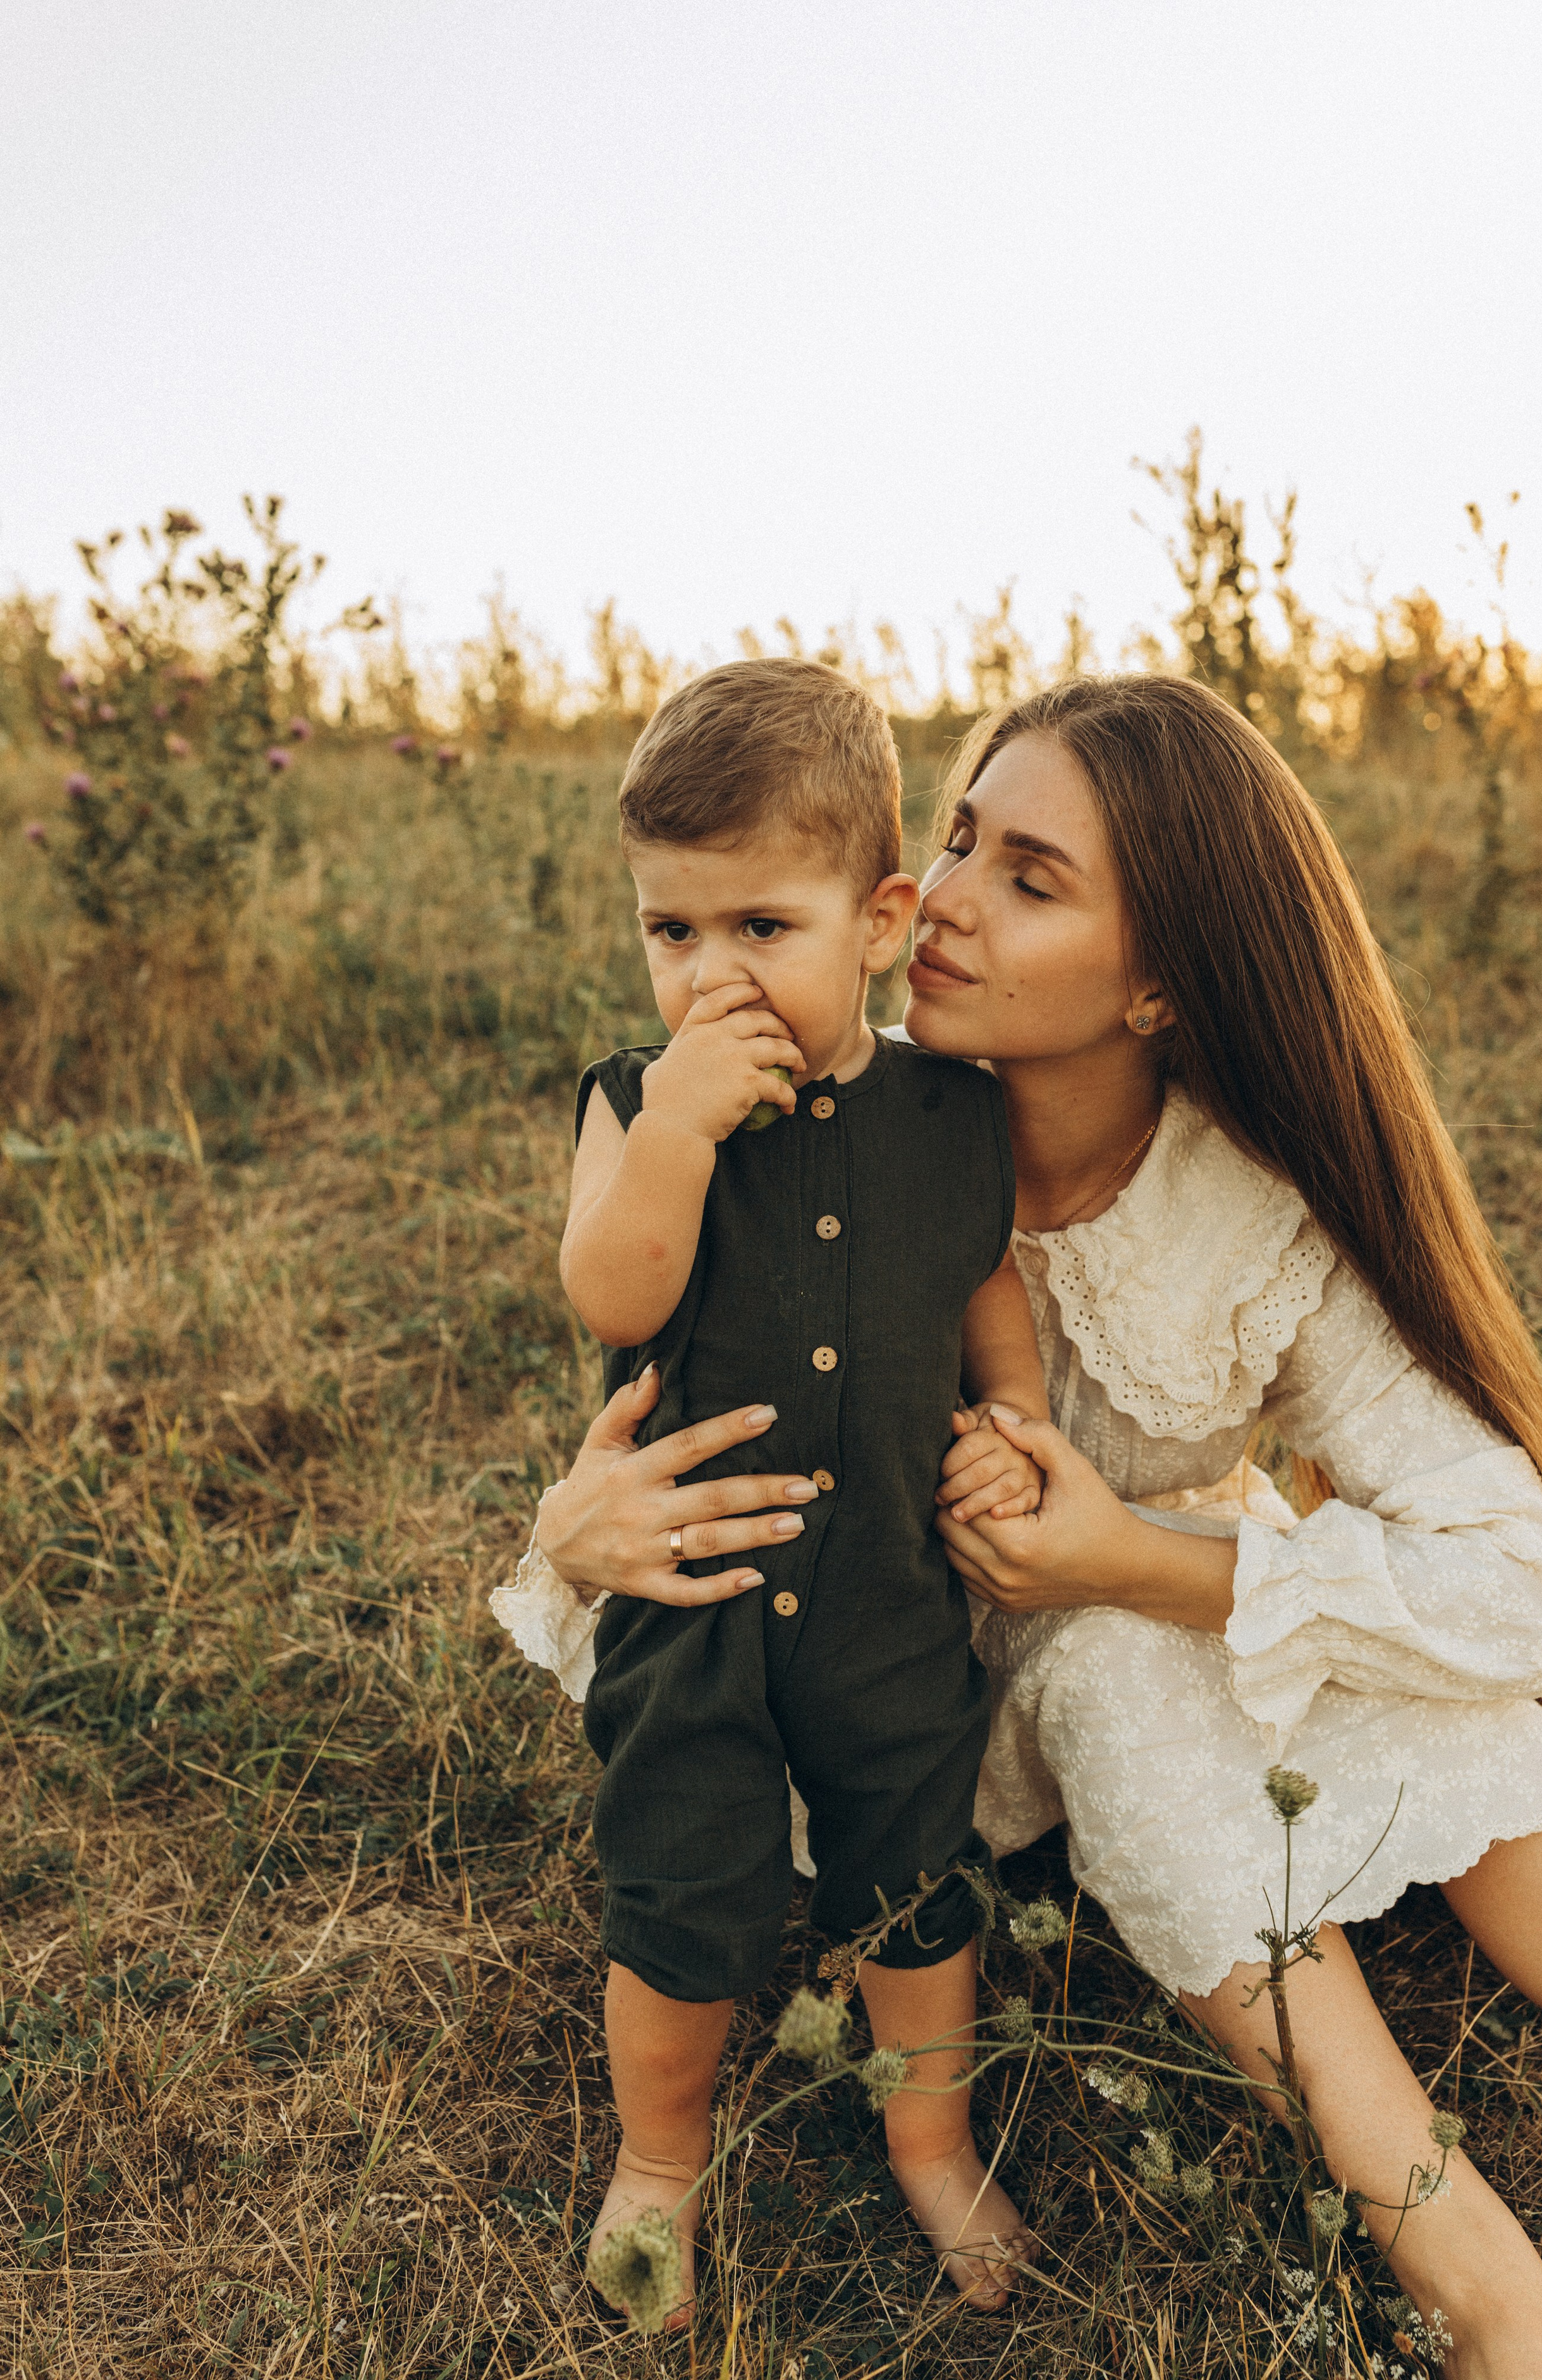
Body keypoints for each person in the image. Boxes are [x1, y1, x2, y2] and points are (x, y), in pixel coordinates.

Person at [527, 674, 1542, 2375]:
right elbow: (664, 1358)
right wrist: (566, 1525)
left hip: (1144, 1624)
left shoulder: (1257, 1212)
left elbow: (1534, 1601)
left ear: (1165, 976)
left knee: (1506, 1807)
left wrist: (1132, 1554)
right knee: (1109, 1670)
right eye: (956, 834)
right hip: (855, 1678)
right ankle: (1485, 2295)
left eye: (1029, 878)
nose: (943, 897)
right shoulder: (793, 1109)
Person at [491, 659, 1048, 2329]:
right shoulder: (631, 1099)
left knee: (914, 1875)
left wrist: (1013, 1413)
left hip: (887, 1582)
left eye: (761, 930)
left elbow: (988, 1289)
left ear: (879, 920)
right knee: (676, 1886)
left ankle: (930, 2142)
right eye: (674, 933)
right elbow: (616, 1295)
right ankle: (657, 2158)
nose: (710, 975)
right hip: (693, 1595)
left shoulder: (955, 1112)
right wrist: (673, 1134)